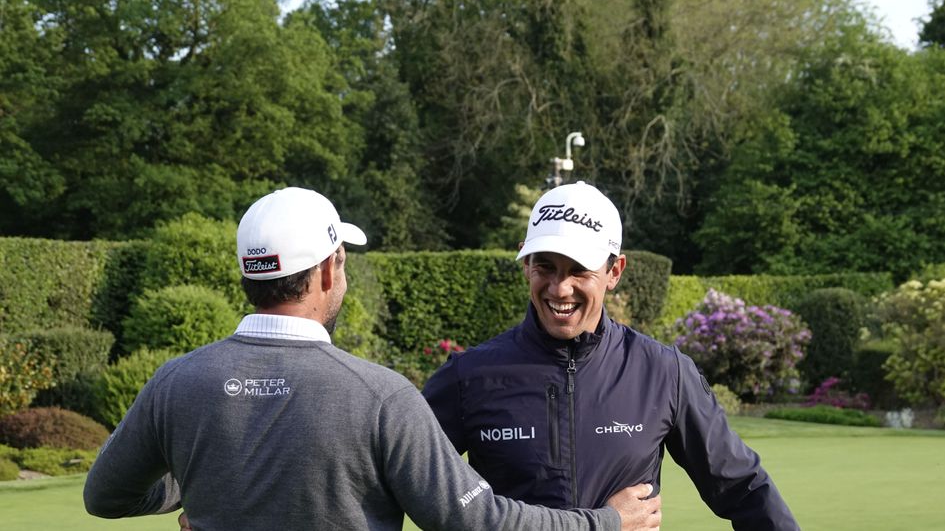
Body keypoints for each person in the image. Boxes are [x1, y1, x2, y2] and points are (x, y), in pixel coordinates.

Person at [83, 186, 662, 530]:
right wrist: (606, 523)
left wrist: (197, 487)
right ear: (331, 268)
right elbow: (479, 521)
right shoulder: (381, 397)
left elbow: (105, 497)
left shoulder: (176, 382)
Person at [422, 181, 800, 530]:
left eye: (579, 270)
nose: (560, 288)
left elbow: (743, 488)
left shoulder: (664, 372)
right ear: (526, 266)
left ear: (614, 270)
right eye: (545, 267)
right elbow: (414, 486)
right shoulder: (468, 376)